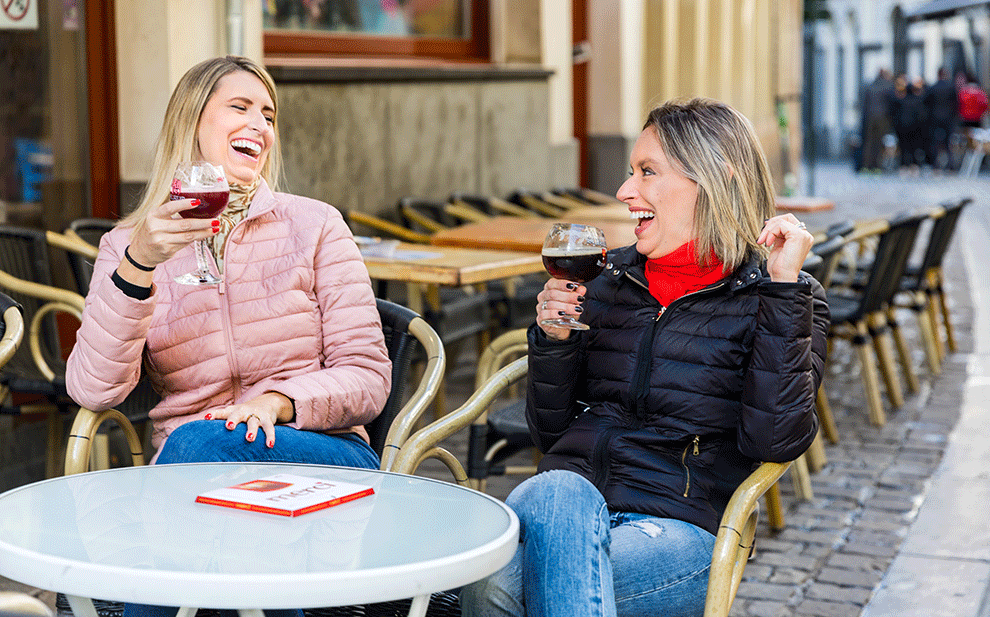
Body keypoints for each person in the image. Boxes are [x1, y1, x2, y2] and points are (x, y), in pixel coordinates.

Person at [463, 97, 829, 617]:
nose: (623, 191)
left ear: (716, 178)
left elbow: (774, 440)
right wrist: (554, 343)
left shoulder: (783, 296)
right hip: (565, 509)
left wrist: (782, 292)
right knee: (556, 494)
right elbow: (550, 435)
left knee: (501, 579)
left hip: (677, 529)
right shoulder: (604, 279)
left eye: (647, 172)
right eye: (630, 172)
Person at [66, 57, 392, 616]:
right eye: (239, 108)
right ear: (192, 122)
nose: (260, 126)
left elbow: (368, 377)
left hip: (318, 457)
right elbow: (93, 390)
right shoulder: (129, 245)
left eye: (268, 114)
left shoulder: (314, 225)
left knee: (195, 443)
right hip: (198, 486)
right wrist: (139, 266)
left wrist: (277, 402)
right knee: (213, 491)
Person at [860, 68, 894, 173]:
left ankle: (866, 166)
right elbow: (891, 103)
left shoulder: (870, 86)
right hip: (882, 117)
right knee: (878, 143)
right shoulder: (888, 86)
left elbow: (864, 103)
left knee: (868, 142)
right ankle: (877, 167)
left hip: (870, 117)